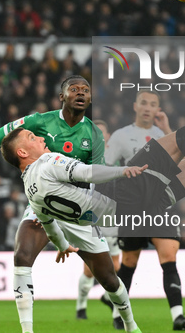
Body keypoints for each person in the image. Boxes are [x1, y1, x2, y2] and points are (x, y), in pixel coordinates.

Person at [0, 125, 185, 331]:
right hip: (123, 192)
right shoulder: (47, 162)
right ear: (23, 154)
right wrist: (123, 169)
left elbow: (50, 225)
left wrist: (62, 246)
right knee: (184, 135)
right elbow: (86, 171)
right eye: (30, 138)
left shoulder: (31, 191)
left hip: (125, 215)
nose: (39, 138)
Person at [0, 75, 108, 333]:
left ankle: (130, 324)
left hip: (78, 209)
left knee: (110, 280)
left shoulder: (93, 133)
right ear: (62, 96)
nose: (81, 93)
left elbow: (98, 176)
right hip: (42, 202)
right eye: (74, 89)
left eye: (86, 90)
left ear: (91, 98)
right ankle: (27, 331)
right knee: (21, 256)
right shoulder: (40, 121)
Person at [105, 91, 185, 331]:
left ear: (158, 109)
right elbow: (105, 167)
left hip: (158, 206)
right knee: (129, 262)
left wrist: (167, 129)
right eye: (143, 103)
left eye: (153, 104)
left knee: (169, 257)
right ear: (135, 106)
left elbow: (184, 161)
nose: (147, 108)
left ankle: (178, 316)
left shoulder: (162, 135)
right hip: (131, 207)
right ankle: (117, 312)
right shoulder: (121, 136)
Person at [75, 119, 120, 320]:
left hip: (113, 219)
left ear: (108, 137)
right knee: (90, 269)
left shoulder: (117, 161)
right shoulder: (84, 160)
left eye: (103, 133)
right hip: (91, 218)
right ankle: (81, 306)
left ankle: (110, 302)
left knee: (117, 268)